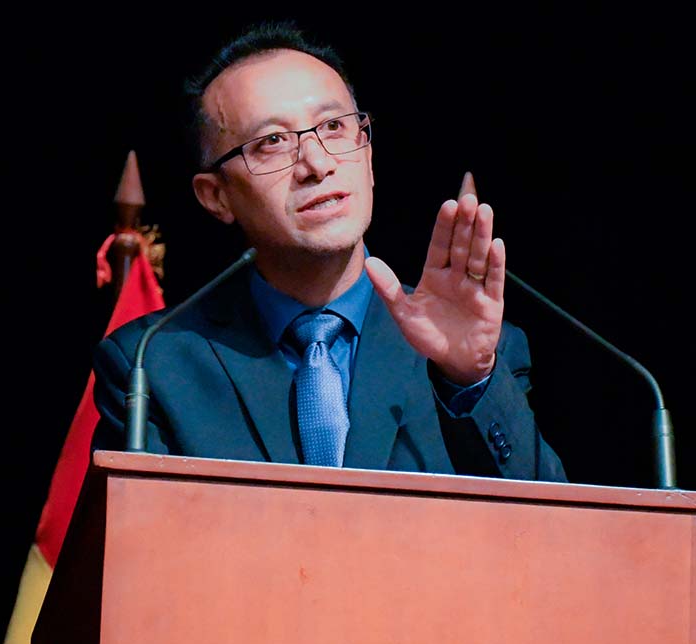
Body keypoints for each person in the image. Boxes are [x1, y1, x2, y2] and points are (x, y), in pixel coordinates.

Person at [90, 21, 566, 482]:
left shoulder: (470, 352)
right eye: (272, 141)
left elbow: (548, 536)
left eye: (334, 127)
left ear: (368, 156)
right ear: (217, 196)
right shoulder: (155, 363)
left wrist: (471, 379)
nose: (316, 164)